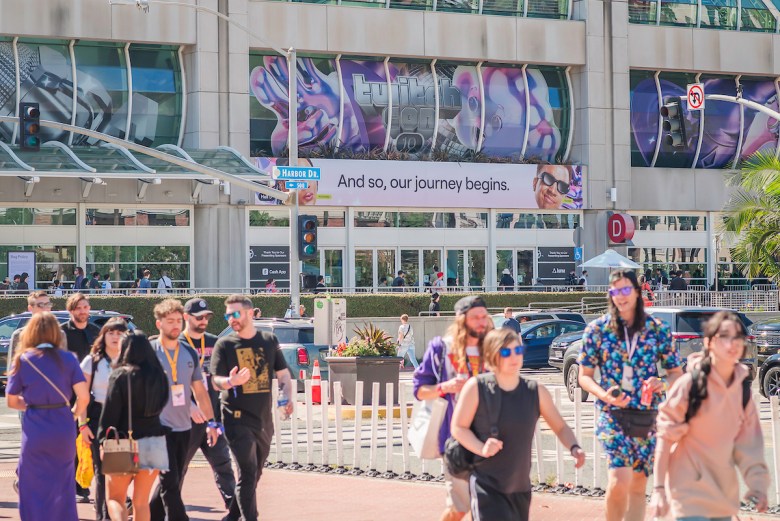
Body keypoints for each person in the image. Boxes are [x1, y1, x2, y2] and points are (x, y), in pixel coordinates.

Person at [577, 269, 683, 521]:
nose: (621, 296)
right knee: (619, 478)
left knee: (638, 483)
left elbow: (676, 374)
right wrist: (605, 395)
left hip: (646, 413)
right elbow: (584, 376)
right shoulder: (597, 330)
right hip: (612, 413)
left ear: (637, 291)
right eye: (615, 291)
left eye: (626, 289)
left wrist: (661, 383)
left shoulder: (656, 329)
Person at [451, 328, 585, 520]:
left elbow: (560, 427)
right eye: (506, 352)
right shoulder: (476, 387)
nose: (514, 356)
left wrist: (574, 447)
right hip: (486, 486)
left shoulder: (535, 391)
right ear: (492, 355)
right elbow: (458, 427)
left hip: (520, 489)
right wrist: (481, 448)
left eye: (518, 350)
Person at [650, 311, 770, 520]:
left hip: (723, 498)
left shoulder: (741, 391)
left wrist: (757, 486)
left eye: (738, 337)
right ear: (708, 342)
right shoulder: (689, 386)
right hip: (687, 492)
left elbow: (750, 445)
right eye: (724, 336)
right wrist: (658, 489)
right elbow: (665, 438)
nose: (732, 343)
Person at [211, 294, 294, 521]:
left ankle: (231, 517)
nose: (231, 319)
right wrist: (231, 381)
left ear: (250, 313)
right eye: (228, 316)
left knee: (254, 474)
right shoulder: (225, 344)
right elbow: (215, 381)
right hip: (235, 419)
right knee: (247, 472)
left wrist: (285, 398)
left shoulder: (268, 341)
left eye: (235, 314)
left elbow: (283, 375)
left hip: (263, 420)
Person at [413, 295, 493, 521]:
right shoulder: (442, 348)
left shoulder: (493, 348)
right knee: (460, 506)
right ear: (461, 320)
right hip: (454, 439)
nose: (481, 322)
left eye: (484, 317)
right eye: (475, 317)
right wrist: (445, 387)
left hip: (489, 436)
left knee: (487, 503)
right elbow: (419, 390)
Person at [6, 312, 89, 521]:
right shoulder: (69, 359)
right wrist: (73, 414)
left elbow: (12, 400)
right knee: (63, 481)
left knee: (32, 481)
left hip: (35, 426)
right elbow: (83, 397)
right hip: (63, 424)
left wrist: (32, 405)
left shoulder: (23, 359)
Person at [149, 299, 220, 521]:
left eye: (178, 321)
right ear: (159, 324)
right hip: (158, 427)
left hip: (183, 428)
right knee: (170, 483)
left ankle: (151, 514)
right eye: (170, 321)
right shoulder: (149, 351)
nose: (175, 325)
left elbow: (200, 391)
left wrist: (211, 422)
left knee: (173, 479)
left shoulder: (188, 352)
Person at [98, 331, 170, 521]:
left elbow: (110, 414)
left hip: (124, 442)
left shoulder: (120, 376)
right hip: (155, 441)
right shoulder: (160, 376)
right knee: (141, 502)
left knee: (115, 498)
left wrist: (103, 441)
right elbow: (163, 405)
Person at [178, 298, 236, 511]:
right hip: (184, 420)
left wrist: (230, 381)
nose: (204, 321)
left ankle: (235, 509)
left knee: (223, 464)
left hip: (212, 417)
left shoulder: (215, 342)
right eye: (199, 317)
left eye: (206, 317)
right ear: (186, 317)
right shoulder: (176, 344)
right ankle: (164, 508)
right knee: (178, 468)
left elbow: (221, 377)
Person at [78, 317, 129, 521]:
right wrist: (83, 425)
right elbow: (82, 396)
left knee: (122, 472)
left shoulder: (131, 360)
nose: (115, 337)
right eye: (111, 333)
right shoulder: (92, 361)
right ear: (103, 335)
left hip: (125, 419)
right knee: (102, 472)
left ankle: (117, 511)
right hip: (99, 417)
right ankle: (103, 516)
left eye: (120, 333)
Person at [9, 291, 54, 362]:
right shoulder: (19, 335)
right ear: (30, 308)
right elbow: (13, 365)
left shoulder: (59, 334)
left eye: (48, 304)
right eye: (41, 305)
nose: (46, 308)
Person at [62, 293, 101, 364]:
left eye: (85, 307)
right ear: (70, 311)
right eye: (78, 308)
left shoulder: (96, 331)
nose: (82, 311)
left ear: (89, 308)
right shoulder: (61, 332)